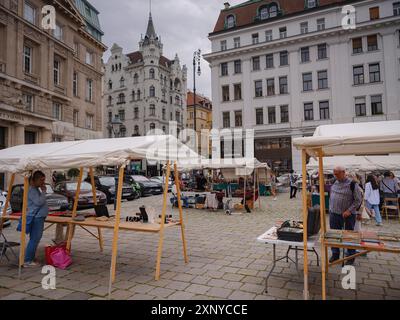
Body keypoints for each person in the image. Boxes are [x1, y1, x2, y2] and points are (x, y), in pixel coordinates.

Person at [329, 166, 362, 265]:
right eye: (334, 173)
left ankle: (350, 256)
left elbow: (358, 200)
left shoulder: (352, 184)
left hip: (347, 215)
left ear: (343, 172)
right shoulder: (334, 181)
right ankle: (335, 254)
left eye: (337, 173)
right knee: (334, 235)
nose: (335, 175)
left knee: (349, 236)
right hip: (334, 214)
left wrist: (349, 210)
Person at [24, 171, 49, 267]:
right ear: (35, 180)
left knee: (34, 239)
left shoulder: (35, 189)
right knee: (35, 239)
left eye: (44, 180)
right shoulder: (32, 190)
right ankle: (27, 260)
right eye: (41, 180)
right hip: (36, 217)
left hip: (38, 217)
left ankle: (30, 257)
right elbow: (39, 202)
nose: (43, 182)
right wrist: (43, 191)